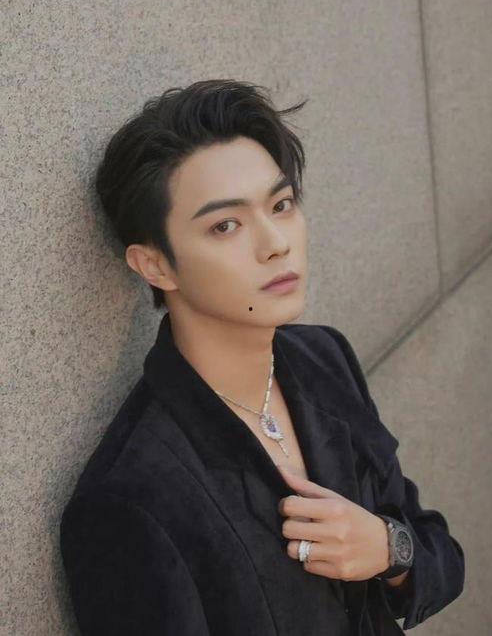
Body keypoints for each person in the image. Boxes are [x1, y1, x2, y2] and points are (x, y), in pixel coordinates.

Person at [59, 79, 465, 635]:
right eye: (225, 225)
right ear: (155, 265)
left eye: (281, 204)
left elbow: (441, 559)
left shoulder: (322, 358)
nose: (275, 242)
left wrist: (389, 549)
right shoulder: (130, 499)